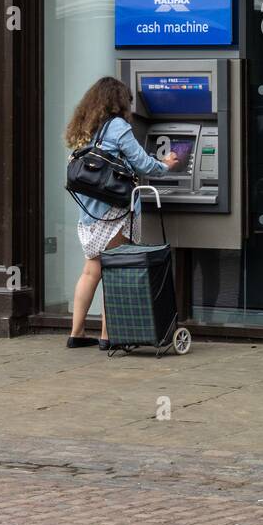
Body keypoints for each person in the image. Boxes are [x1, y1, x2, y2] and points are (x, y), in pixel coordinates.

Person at [64, 76, 177, 350]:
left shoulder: (85, 125)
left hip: (88, 212)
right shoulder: (117, 126)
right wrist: (165, 165)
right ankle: (107, 335)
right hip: (113, 211)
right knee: (113, 270)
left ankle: (76, 333)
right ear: (118, 102)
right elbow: (141, 163)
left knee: (91, 270)